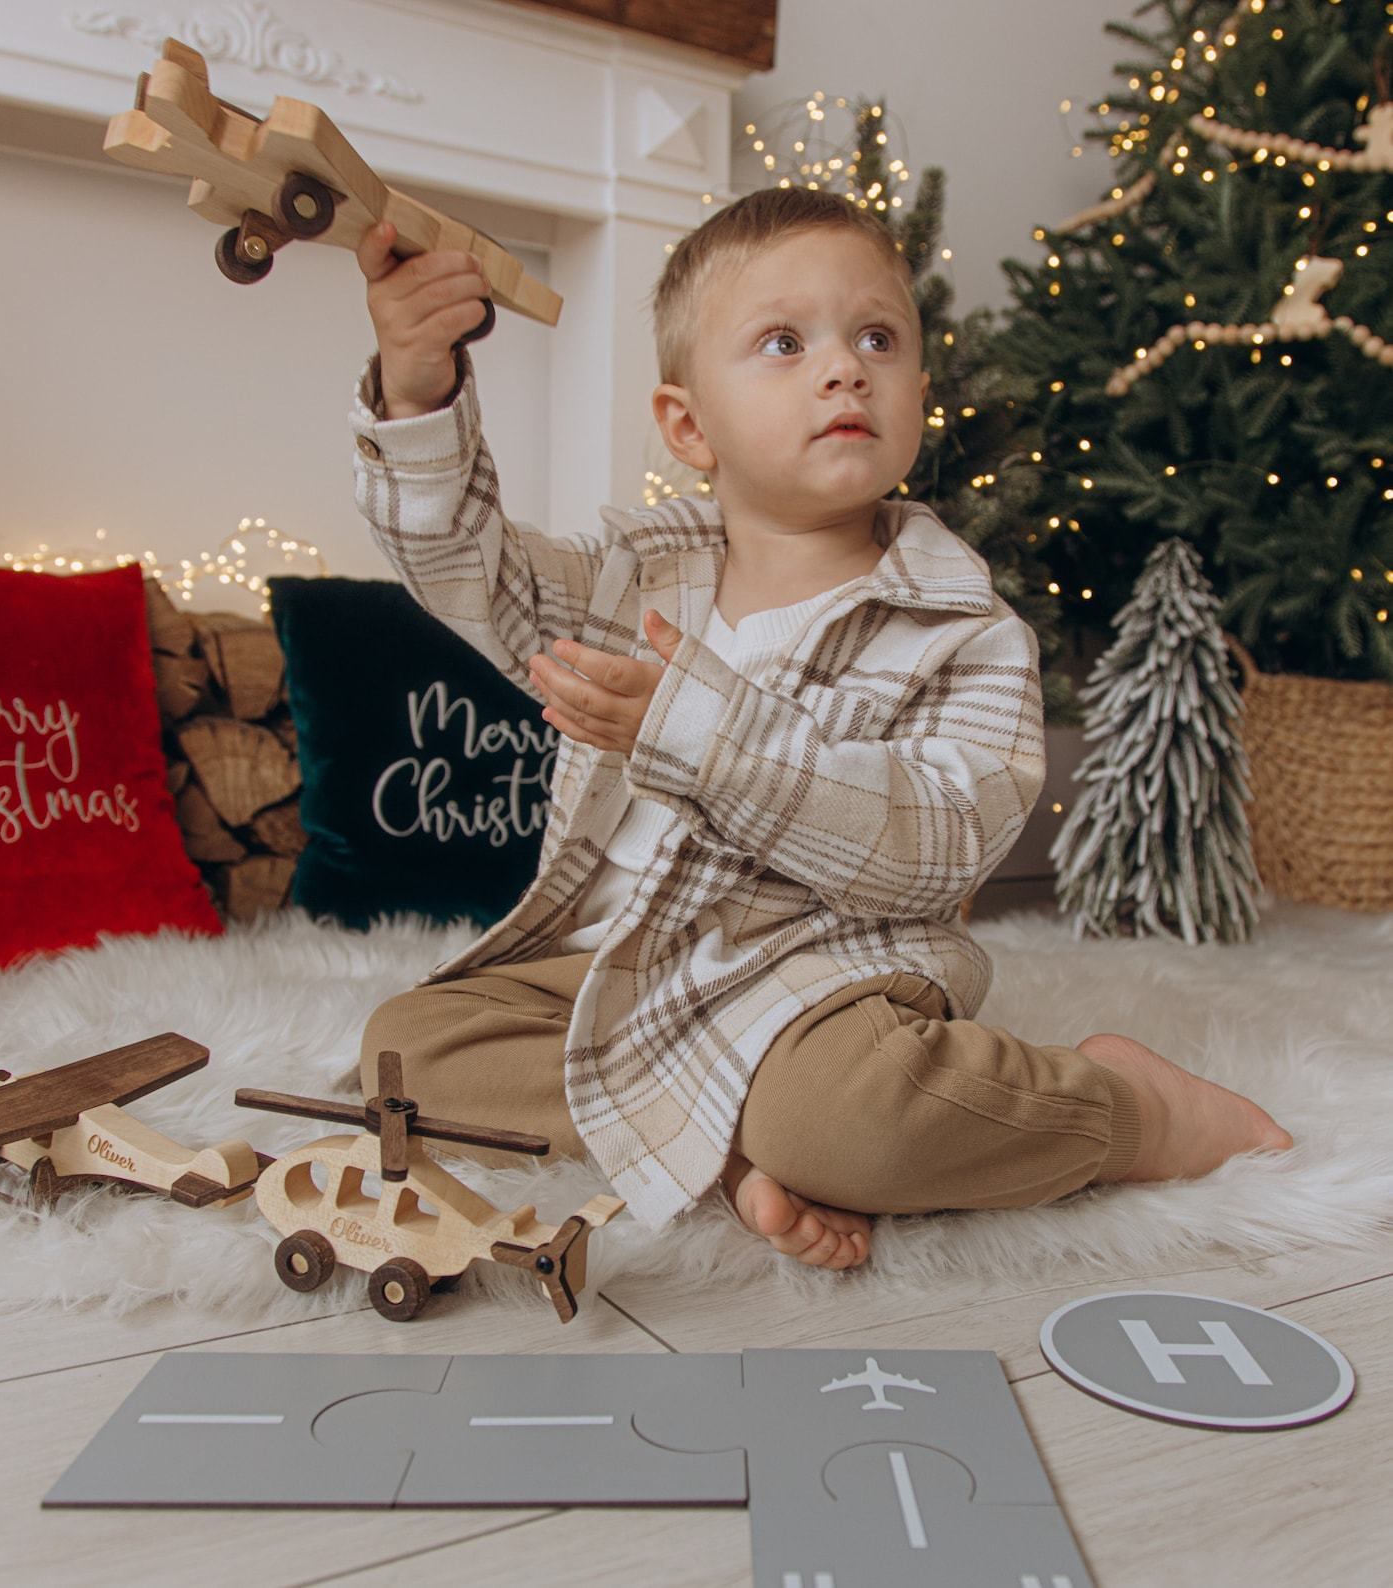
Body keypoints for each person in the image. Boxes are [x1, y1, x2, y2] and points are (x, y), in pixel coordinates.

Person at [346, 187, 1291, 1271]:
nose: (844, 368)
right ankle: (731, 1147)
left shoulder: (963, 630)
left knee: (857, 1120)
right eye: (785, 343)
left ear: (918, 394)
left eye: (876, 338)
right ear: (689, 425)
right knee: (405, 1049)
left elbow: (937, 846)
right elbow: (469, 573)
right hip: (618, 971)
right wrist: (417, 390)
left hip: (823, 984)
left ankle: (1131, 1110)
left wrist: (697, 735)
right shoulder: (630, 579)